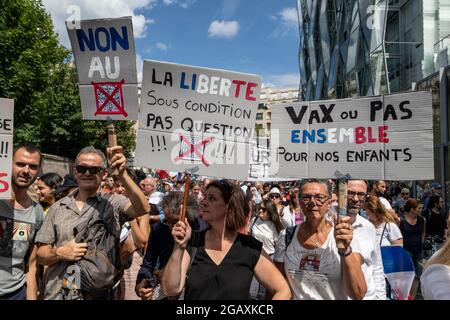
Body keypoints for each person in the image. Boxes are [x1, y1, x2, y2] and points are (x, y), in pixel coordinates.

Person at [35, 146, 150, 300]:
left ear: (103, 173)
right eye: (82, 169)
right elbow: (41, 255)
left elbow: (142, 208)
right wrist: (60, 253)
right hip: (59, 293)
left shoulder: (112, 203)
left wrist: (122, 174)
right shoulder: (58, 207)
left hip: (98, 294)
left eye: (94, 170)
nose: (87, 173)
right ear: (75, 172)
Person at [162, 179, 291, 300]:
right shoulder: (193, 241)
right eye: (205, 197)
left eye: (212, 198)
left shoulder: (249, 248)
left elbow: (283, 290)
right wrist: (179, 247)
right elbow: (171, 289)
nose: (204, 202)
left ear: (229, 206)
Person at [273, 179, 367, 300]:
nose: (313, 202)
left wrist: (345, 251)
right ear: (300, 202)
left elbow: (358, 293)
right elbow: (278, 287)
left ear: (329, 202)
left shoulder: (343, 235)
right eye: (306, 197)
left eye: (319, 197)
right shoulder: (286, 236)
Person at [0, 144, 44, 300]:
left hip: (15, 294)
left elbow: (31, 266)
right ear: (8, 164)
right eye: (20, 164)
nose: (26, 171)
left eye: (33, 166)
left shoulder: (37, 212)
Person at [135, 191, 198, 300]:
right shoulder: (159, 228)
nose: (172, 228)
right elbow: (148, 263)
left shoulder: (199, 232)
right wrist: (141, 282)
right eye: (168, 222)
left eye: (176, 223)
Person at [248, 200, 284, 299]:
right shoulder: (254, 220)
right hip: (254, 256)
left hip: (269, 258)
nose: (260, 211)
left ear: (270, 211)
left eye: (264, 209)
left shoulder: (274, 225)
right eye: (259, 208)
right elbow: (249, 235)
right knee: (252, 290)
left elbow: (278, 245)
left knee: (263, 290)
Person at [399, 199, 425, 298]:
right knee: (407, 276)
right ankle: (405, 296)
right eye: (419, 208)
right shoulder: (401, 220)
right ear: (412, 209)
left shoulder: (422, 219)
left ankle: (412, 297)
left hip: (419, 251)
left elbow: (423, 233)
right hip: (406, 251)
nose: (421, 210)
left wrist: (421, 245)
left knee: (418, 275)